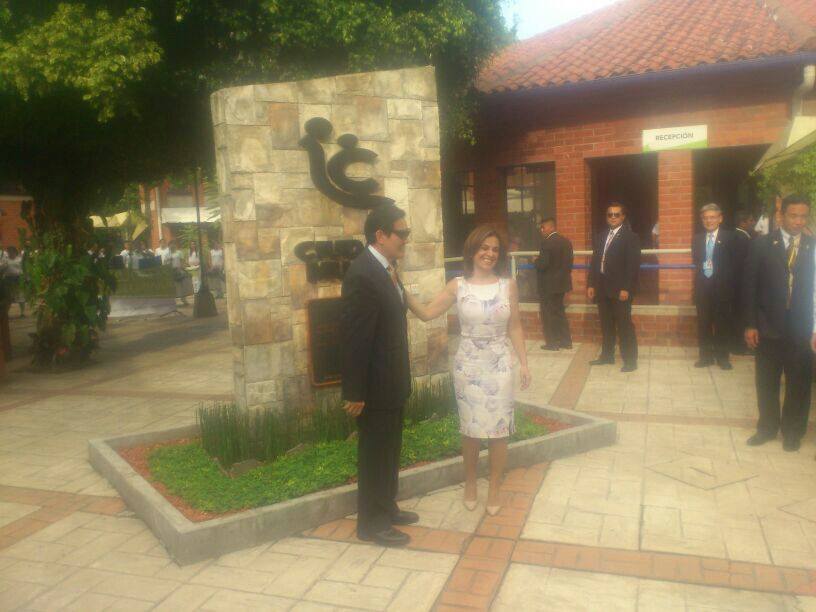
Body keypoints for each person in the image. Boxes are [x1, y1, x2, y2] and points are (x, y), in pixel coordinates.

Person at [403, 225, 531, 515]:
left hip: (500, 365)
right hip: (468, 365)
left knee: (499, 430)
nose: (490, 254)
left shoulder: (508, 285)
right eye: (484, 248)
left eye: (495, 249)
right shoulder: (458, 286)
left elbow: (515, 326)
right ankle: (471, 483)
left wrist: (524, 363)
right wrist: (400, 288)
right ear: (473, 250)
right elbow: (427, 313)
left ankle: (495, 487)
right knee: (471, 429)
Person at [341, 203, 419, 547]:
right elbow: (355, 339)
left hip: (392, 382)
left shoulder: (387, 269)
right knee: (375, 454)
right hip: (374, 387)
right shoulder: (362, 274)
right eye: (402, 233)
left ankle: (386, 507)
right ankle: (372, 525)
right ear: (381, 235)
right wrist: (354, 392)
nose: (406, 238)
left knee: (390, 450)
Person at [744, 194, 814, 452]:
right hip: (767, 326)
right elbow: (749, 286)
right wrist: (750, 324)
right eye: (793, 215)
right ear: (781, 215)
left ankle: (793, 432)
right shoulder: (762, 245)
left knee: (799, 383)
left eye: (803, 216)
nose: (798, 221)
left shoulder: (813, 246)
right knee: (766, 382)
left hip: (801, 330)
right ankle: (767, 428)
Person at [587, 202, 640, 372]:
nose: (613, 217)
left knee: (624, 326)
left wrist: (626, 288)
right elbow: (595, 262)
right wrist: (591, 284)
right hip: (602, 287)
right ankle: (607, 356)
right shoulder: (601, 236)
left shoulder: (631, 237)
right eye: (610, 214)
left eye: (616, 214)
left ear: (623, 217)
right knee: (606, 324)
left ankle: (630, 360)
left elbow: (632, 266)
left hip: (620, 290)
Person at [692, 204, 735, 370]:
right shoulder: (697, 239)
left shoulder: (730, 238)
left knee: (722, 324)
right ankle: (705, 357)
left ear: (720, 218)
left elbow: (735, 265)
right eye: (705, 218)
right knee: (703, 324)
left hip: (722, 289)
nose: (709, 221)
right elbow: (697, 262)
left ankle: (722, 357)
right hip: (703, 289)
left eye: (712, 217)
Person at [535, 218, 573, 351]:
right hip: (561, 284)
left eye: (543, 227)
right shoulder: (566, 242)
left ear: (551, 227)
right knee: (559, 312)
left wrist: (535, 261)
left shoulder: (547, 243)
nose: (541, 230)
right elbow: (569, 264)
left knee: (548, 314)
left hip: (548, 285)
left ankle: (552, 343)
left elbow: (543, 264)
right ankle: (566, 341)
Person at [731, 209, 755, 354]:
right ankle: (739, 346)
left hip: (736, 284)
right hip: (740, 284)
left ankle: (737, 345)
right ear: (743, 222)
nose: (753, 223)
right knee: (740, 315)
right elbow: (742, 264)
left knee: (737, 314)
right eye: (751, 220)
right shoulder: (742, 239)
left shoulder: (737, 236)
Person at [3, 246, 24, 318]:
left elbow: (24, 268)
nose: (10, 253)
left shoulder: (20, 259)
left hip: (19, 278)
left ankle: (22, 313)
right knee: (8, 296)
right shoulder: (5, 260)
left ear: (15, 252)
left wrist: (26, 277)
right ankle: (6, 312)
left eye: (11, 251)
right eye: (9, 251)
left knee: (21, 295)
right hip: (8, 279)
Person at [169, 241, 189, 306]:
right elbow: (165, 262)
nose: (172, 246)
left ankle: (184, 299)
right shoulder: (168, 254)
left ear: (175, 245)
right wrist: (169, 260)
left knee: (182, 285)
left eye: (173, 244)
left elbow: (182, 260)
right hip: (172, 271)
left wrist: (182, 268)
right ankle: (174, 301)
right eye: (170, 245)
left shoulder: (179, 252)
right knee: (174, 286)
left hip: (179, 270)